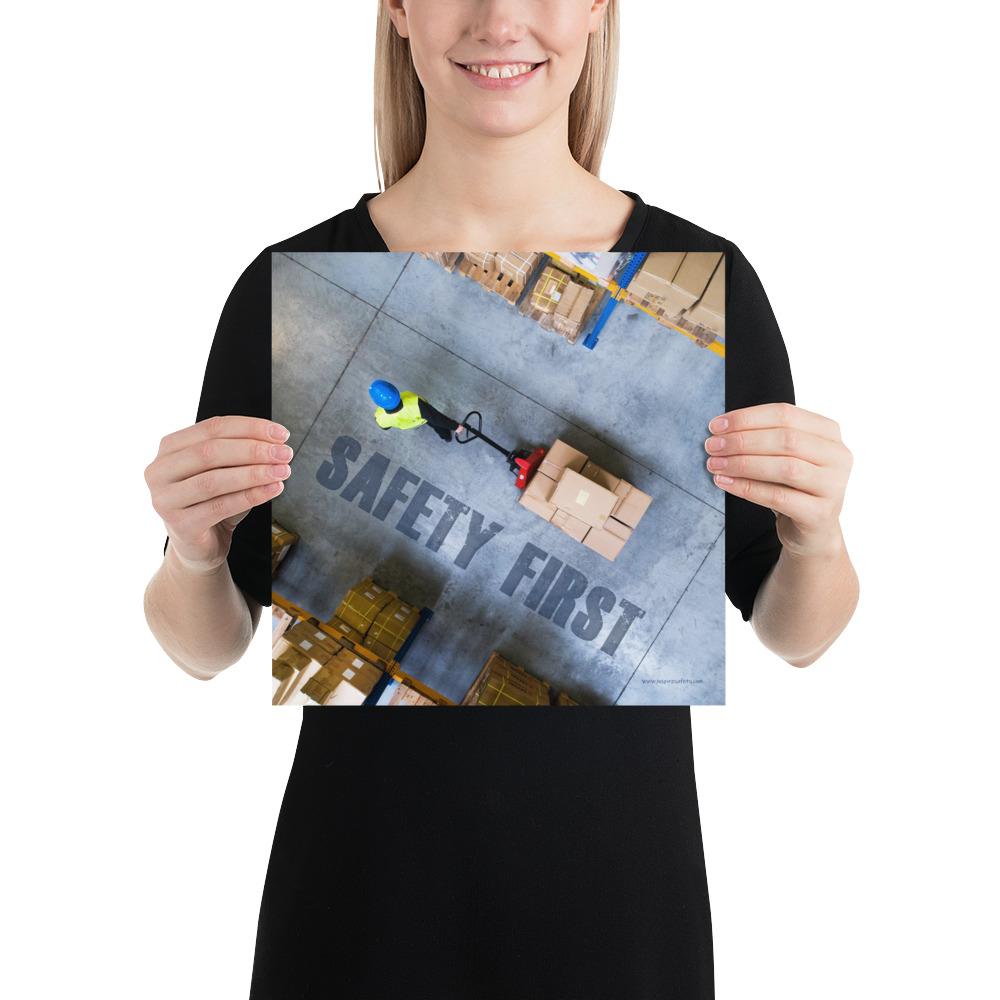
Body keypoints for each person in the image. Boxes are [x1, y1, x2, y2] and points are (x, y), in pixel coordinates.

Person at [142, 1, 859, 996]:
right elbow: (205, 644)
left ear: (601, 8)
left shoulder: (714, 281)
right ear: (397, 9)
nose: (500, 17)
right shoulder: (285, 285)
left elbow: (796, 632)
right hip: (357, 921)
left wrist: (815, 538)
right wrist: (192, 552)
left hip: (617, 923)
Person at [369, 377, 466, 442]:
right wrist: (455, 426)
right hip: (422, 418)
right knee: (436, 424)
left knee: (433, 422)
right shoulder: (416, 404)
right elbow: (437, 418)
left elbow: (385, 427)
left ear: (378, 403)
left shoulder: (380, 417)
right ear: (394, 390)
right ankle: (446, 436)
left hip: (410, 423)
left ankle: (446, 437)